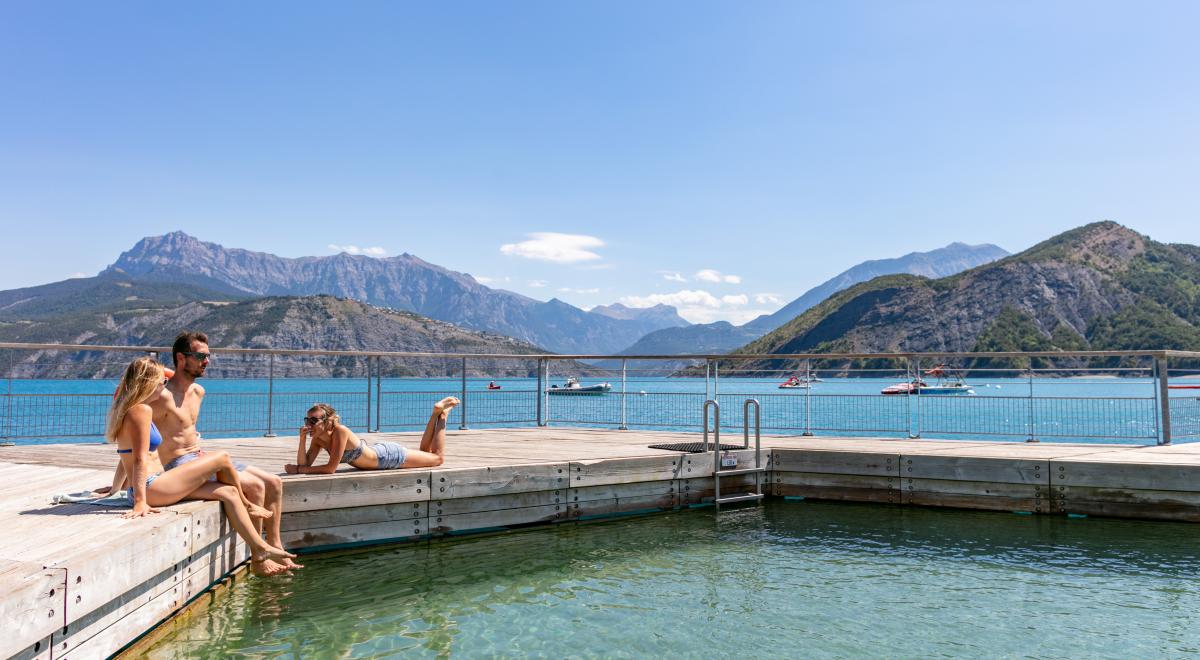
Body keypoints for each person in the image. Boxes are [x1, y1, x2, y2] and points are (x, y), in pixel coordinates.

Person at [106, 356, 295, 568]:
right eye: (162, 382)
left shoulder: (126, 408)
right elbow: (139, 458)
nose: (165, 386)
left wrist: (115, 489)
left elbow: (127, 457)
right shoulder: (142, 410)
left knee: (228, 492)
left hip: (156, 485)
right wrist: (141, 501)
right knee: (222, 458)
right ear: (149, 383)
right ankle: (249, 505)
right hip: (152, 487)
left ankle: (258, 551)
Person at [152, 331, 301, 576]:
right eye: (200, 356)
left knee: (274, 482)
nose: (207, 361)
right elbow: (139, 436)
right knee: (255, 486)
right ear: (180, 358)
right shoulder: (162, 397)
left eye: (208, 356)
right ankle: (258, 559)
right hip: (179, 466)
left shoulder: (198, 392)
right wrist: (125, 479)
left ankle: (275, 545)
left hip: (200, 456)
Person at [285, 397, 457, 474]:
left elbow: (330, 468)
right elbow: (304, 463)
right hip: (378, 454)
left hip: (387, 458)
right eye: (307, 420)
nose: (309, 424)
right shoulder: (318, 439)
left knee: (437, 458)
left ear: (327, 421)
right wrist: (301, 441)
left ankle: (442, 416)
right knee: (425, 452)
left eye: (313, 421)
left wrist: (299, 469)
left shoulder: (340, 431)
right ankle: (435, 414)